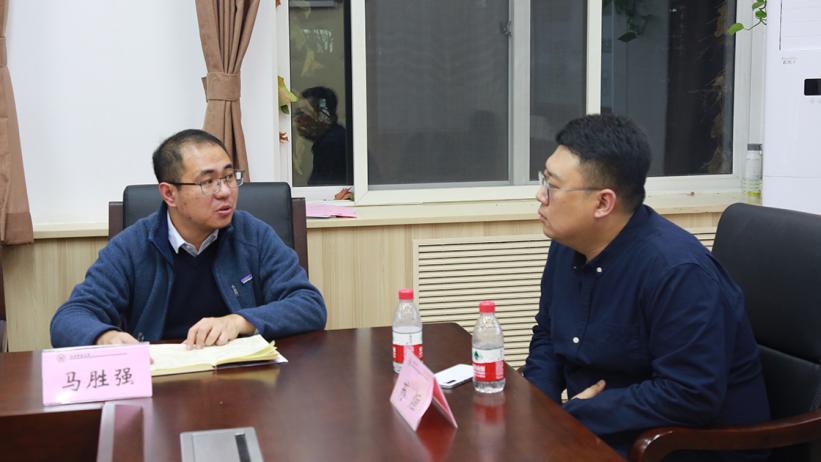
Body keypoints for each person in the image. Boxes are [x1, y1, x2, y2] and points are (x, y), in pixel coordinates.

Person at [523, 114, 769, 460]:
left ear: (603, 203)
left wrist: (580, 413)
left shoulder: (677, 272)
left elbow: (690, 394)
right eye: (543, 179)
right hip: (598, 429)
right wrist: (539, 408)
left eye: (552, 185)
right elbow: (548, 336)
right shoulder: (568, 244)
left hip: (684, 445)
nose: (540, 195)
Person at [50, 129, 326, 348]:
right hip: (161, 381)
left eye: (229, 177)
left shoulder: (253, 234)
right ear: (169, 194)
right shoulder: (132, 246)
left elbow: (309, 305)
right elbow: (70, 317)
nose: (224, 192)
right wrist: (105, 337)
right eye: (207, 182)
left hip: (242, 377)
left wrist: (239, 321)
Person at [294, 86, 348, 186]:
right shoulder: (337, 137)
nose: (297, 120)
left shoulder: (332, 144)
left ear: (323, 117)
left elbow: (322, 190)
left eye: (302, 114)